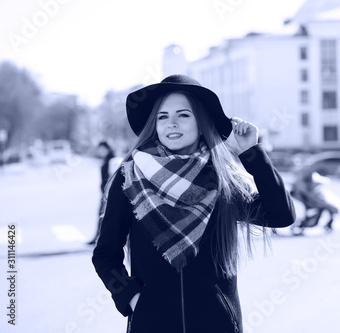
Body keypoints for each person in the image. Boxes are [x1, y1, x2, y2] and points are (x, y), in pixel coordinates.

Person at [91, 74, 296, 333]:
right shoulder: (129, 178)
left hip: (217, 324)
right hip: (151, 325)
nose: (171, 123)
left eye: (183, 115)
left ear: (201, 122)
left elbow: (281, 215)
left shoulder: (222, 179)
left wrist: (251, 153)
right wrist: (132, 299)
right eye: (162, 116)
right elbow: (106, 254)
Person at [291, 168, 340, 234]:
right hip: (309, 200)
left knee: (322, 212)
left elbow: (332, 207)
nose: (308, 184)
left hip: (319, 202)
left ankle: (328, 223)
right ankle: (304, 224)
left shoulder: (318, 189)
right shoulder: (301, 185)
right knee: (312, 219)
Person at [87, 141, 115, 245]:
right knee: (102, 215)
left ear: (107, 148)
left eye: (102, 149)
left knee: (103, 215)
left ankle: (99, 239)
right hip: (105, 192)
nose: (100, 151)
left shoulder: (111, 159)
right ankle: (98, 238)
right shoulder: (106, 159)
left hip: (109, 193)